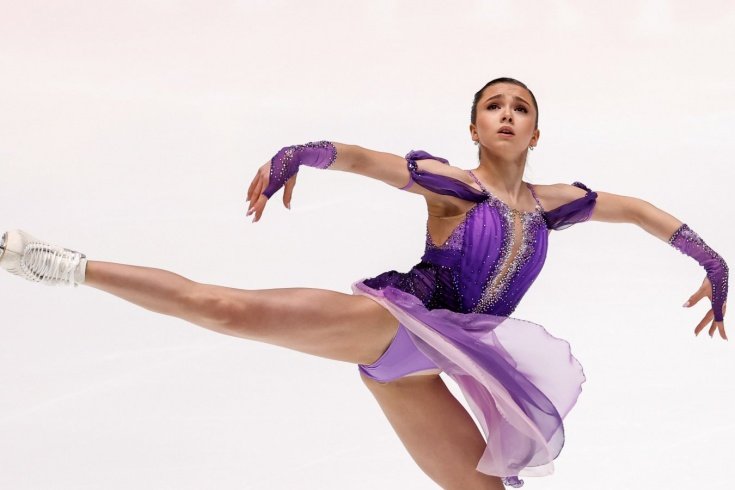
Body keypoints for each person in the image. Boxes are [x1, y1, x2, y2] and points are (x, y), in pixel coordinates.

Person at [0, 77, 728, 490]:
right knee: (225, 308)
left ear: (535, 133)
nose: (507, 115)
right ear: (475, 128)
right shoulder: (453, 184)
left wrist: (712, 262)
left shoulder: (552, 204)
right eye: (493, 107)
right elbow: (364, 159)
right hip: (398, 327)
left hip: (430, 366)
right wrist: (302, 153)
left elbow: (639, 212)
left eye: (520, 109)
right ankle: (62, 265)